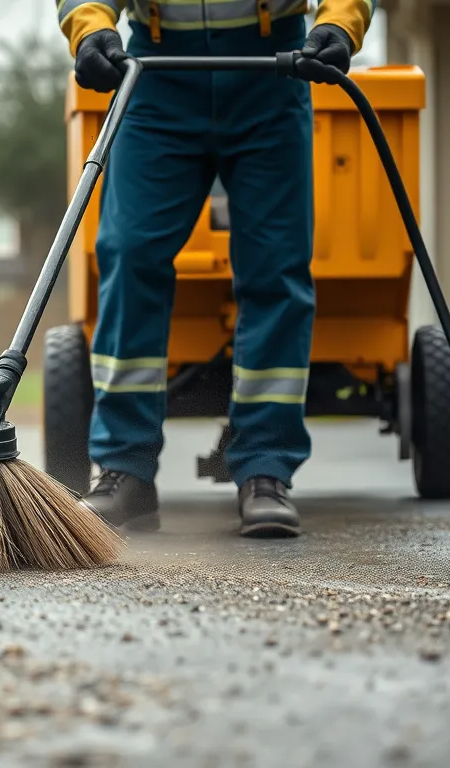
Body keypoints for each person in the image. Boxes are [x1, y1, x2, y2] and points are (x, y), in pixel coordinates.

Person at [57, 0, 376, 538]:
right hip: (157, 76)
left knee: (275, 269)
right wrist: (90, 31)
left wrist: (338, 24)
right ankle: (124, 471)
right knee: (129, 253)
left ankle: (266, 470)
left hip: (273, 68)